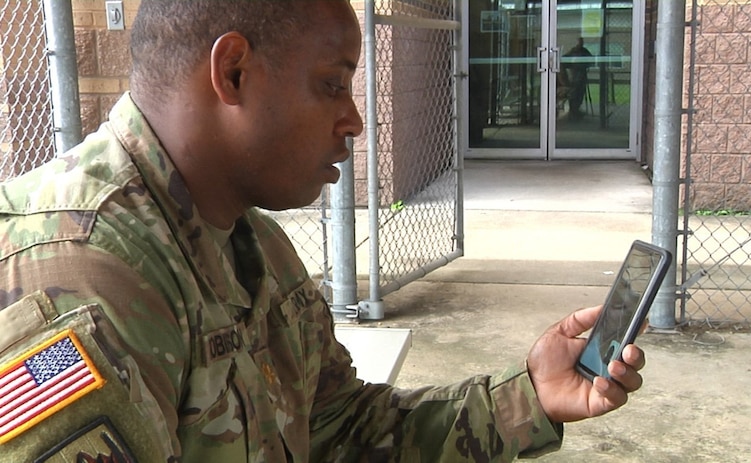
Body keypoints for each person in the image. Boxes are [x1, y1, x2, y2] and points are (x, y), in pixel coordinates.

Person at [0, 1, 645, 461]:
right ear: (233, 74)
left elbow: (344, 430)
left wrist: (529, 397)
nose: (354, 120)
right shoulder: (85, 274)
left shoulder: (253, 246)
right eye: (332, 84)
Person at [561, 37, 593, 119]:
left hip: (582, 75)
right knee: (573, 93)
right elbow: (564, 60)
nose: (580, 44)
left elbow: (592, 61)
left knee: (580, 93)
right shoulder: (573, 51)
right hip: (574, 76)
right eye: (579, 42)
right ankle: (573, 111)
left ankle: (576, 109)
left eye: (581, 42)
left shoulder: (585, 51)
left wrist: (585, 65)